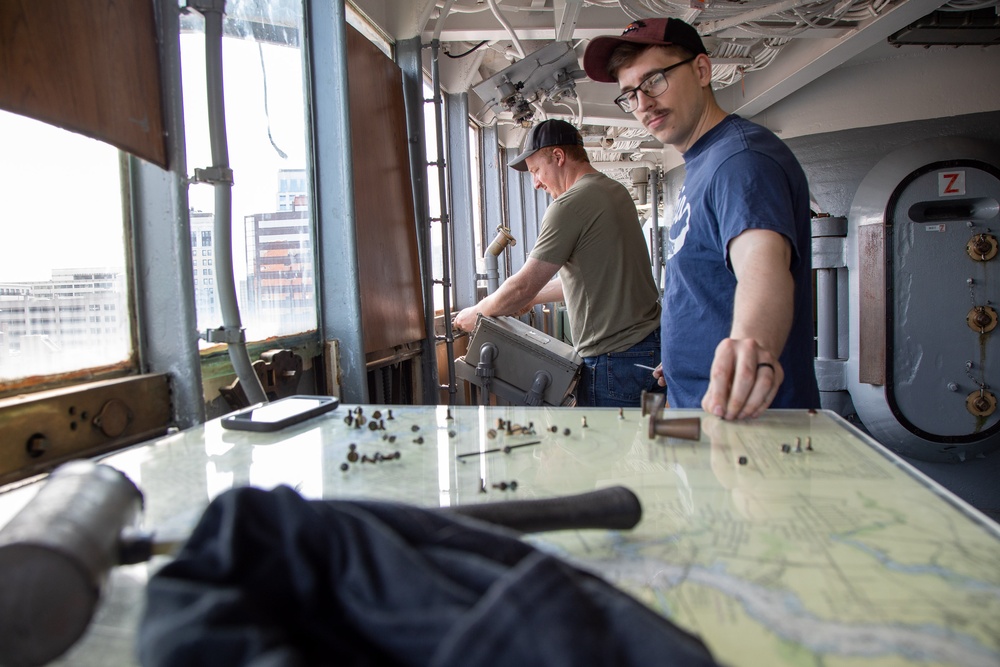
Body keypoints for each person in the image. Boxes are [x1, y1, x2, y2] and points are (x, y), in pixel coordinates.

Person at [583, 17, 820, 420]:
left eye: (655, 80)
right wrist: (680, 363)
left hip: (749, 422)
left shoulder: (741, 161)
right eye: (630, 94)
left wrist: (752, 347)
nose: (643, 104)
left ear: (702, 70)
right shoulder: (704, 162)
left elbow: (762, 265)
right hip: (702, 409)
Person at [453, 119, 662, 408]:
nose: (536, 183)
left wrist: (476, 313)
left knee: (602, 452)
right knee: (649, 444)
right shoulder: (615, 192)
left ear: (559, 157)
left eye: (537, 171)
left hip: (614, 358)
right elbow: (591, 280)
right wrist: (536, 298)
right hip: (650, 349)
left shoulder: (568, 205)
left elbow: (522, 285)